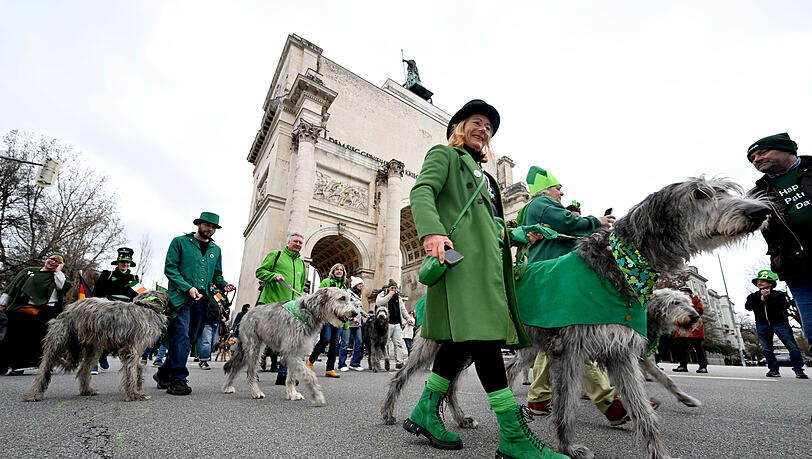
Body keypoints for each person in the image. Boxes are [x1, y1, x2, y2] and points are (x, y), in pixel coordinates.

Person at [406, 99, 564, 458]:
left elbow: (491, 226)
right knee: (485, 337)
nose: (484, 131)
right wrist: (431, 231)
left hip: (488, 269)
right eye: (477, 123)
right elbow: (422, 191)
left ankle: (425, 411)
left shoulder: (488, 180)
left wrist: (519, 234)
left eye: (489, 128)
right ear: (460, 127)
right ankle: (513, 436)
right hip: (461, 265)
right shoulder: (444, 156)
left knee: (461, 343)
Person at [519, 168, 637, 425]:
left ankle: (539, 397)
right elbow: (569, 223)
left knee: (557, 338)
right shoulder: (542, 203)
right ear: (546, 190)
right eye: (558, 187)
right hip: (554, 275)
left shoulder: (538, 207)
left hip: (549, 275)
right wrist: (597, 222)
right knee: (576, 335)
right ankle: (611, 402)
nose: (562, 192)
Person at [154, 212, 234, 395]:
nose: (211, 230)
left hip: (202, 300)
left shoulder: (216, 250)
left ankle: (164, 373)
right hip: (180, 298)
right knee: (181, 335)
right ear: (199, 224)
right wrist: (187, 287)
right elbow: (170, 269)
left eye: (214, 227)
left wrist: (224, 284)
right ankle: (178, 379)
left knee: (190, 338)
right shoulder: (180, 242)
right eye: (208, 226)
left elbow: (216, 275)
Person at [748, 133, 812, 350]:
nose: (756, 159)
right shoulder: (758, 194)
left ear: (787, 150)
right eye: (753, 157)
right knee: (811, 329)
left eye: (762, 152)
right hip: (796, 267)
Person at [0, 252, 72, 375]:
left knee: (36, 339)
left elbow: (60, 287)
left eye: (57, 261)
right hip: (20, 309)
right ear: (47, 259)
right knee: (13, 338)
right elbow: (11, 288)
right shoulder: (28, 271)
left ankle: (26, 365)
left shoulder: (59, 276)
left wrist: (59, 271)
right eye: (52, 259)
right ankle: (7, 365)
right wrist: (3, 303)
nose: (53, 262)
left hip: (44, 313)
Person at [255, 232, 306, 385]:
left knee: (291, 342)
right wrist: (273, 275)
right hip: (271, 305)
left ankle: (283, 375)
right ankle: (253, 371)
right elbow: (260, 272)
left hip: (291, 309)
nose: (298, 244)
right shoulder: (275, 255)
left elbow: (301, 287)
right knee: (261, 341)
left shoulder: (302, 264)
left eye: (300, 243)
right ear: (289, 242)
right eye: (295, 241)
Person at [744, 269, 808, 379]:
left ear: (770, 283)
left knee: (792, 347)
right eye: (758, 281)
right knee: (767, 348)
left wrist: (769, 297)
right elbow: (748, 307)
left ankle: (799, 369)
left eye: (763, 281)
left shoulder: (779, 294)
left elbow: (784, 305)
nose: (759, 283)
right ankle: (773, 369)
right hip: (762, 324)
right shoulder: (753, 296)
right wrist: (762, 298)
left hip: (780, 323)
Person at [93, 246, 140, 373]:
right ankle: (95, 361)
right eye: (122, 262)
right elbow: (96, 293)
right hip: (108, 309)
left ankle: (109, 357)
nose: (124, 264)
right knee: (102, 335)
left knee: (122, 338)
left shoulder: (134, 279)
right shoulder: (108, 275)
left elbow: (139, 296)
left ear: (130, 264)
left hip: (126, 312)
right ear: (118, 262)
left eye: (127, 262)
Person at [306, 263, 346, 378]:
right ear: (333, 271)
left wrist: (345, 323)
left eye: (341, 270)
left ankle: (330, 369)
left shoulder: (344, 287)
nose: (339, 271)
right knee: (325, 340)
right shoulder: (326, 283)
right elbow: (318, 299)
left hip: (338, 319)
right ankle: (310, 361)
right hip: (326, 318)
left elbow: (345, 306)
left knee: (334, 343)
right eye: (337, 269)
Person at [375, 279, 413, 370]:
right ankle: (378, 361)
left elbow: (403, 309)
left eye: (395, 288)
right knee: (383, 343)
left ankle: (399, 362)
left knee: (398, 343)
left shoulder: (398, 297)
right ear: (388, 288)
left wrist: (408, 319)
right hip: (386, 324)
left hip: (397, 324)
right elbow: (379, 303)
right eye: (392, 288)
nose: (394, 290)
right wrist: (389, 295)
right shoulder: (382, 294)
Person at [672, 287, 708, 373]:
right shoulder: (677, 301)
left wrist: (689, 312)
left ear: (690, 293)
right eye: (682, 292)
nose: (684, 294)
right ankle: (682, 366)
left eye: (686, 292)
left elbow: (700, 310)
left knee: (698, 347)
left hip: (694, 325)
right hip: (681, 325)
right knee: (681, 347)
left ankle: (703, 366)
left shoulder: (696, 300)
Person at [341, 276, 367, 371]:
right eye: (360, 284)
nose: (361, 286)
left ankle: (355, 363)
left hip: (357, 323)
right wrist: (353, 317)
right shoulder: (348, 293)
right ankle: (341, 364)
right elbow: (348, 306)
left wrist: (365, 314)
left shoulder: (359, 294)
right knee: (345, 343)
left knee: (359, 343)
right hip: (348, 322)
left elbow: (358, 308)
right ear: (355, 284)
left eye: (362, 284)